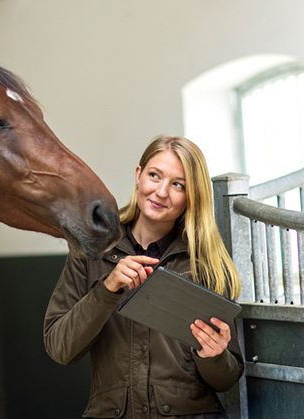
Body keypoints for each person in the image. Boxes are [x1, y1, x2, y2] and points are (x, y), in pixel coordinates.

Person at [44, 135, 244, 418]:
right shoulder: (92, 250)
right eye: (154, 175)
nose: (161, 192)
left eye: (178, 185)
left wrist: (214, 355)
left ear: (191, 196)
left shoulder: (206, 263)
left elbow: (227, 379)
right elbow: (60, 347)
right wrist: (107, 289)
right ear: (138, 176)